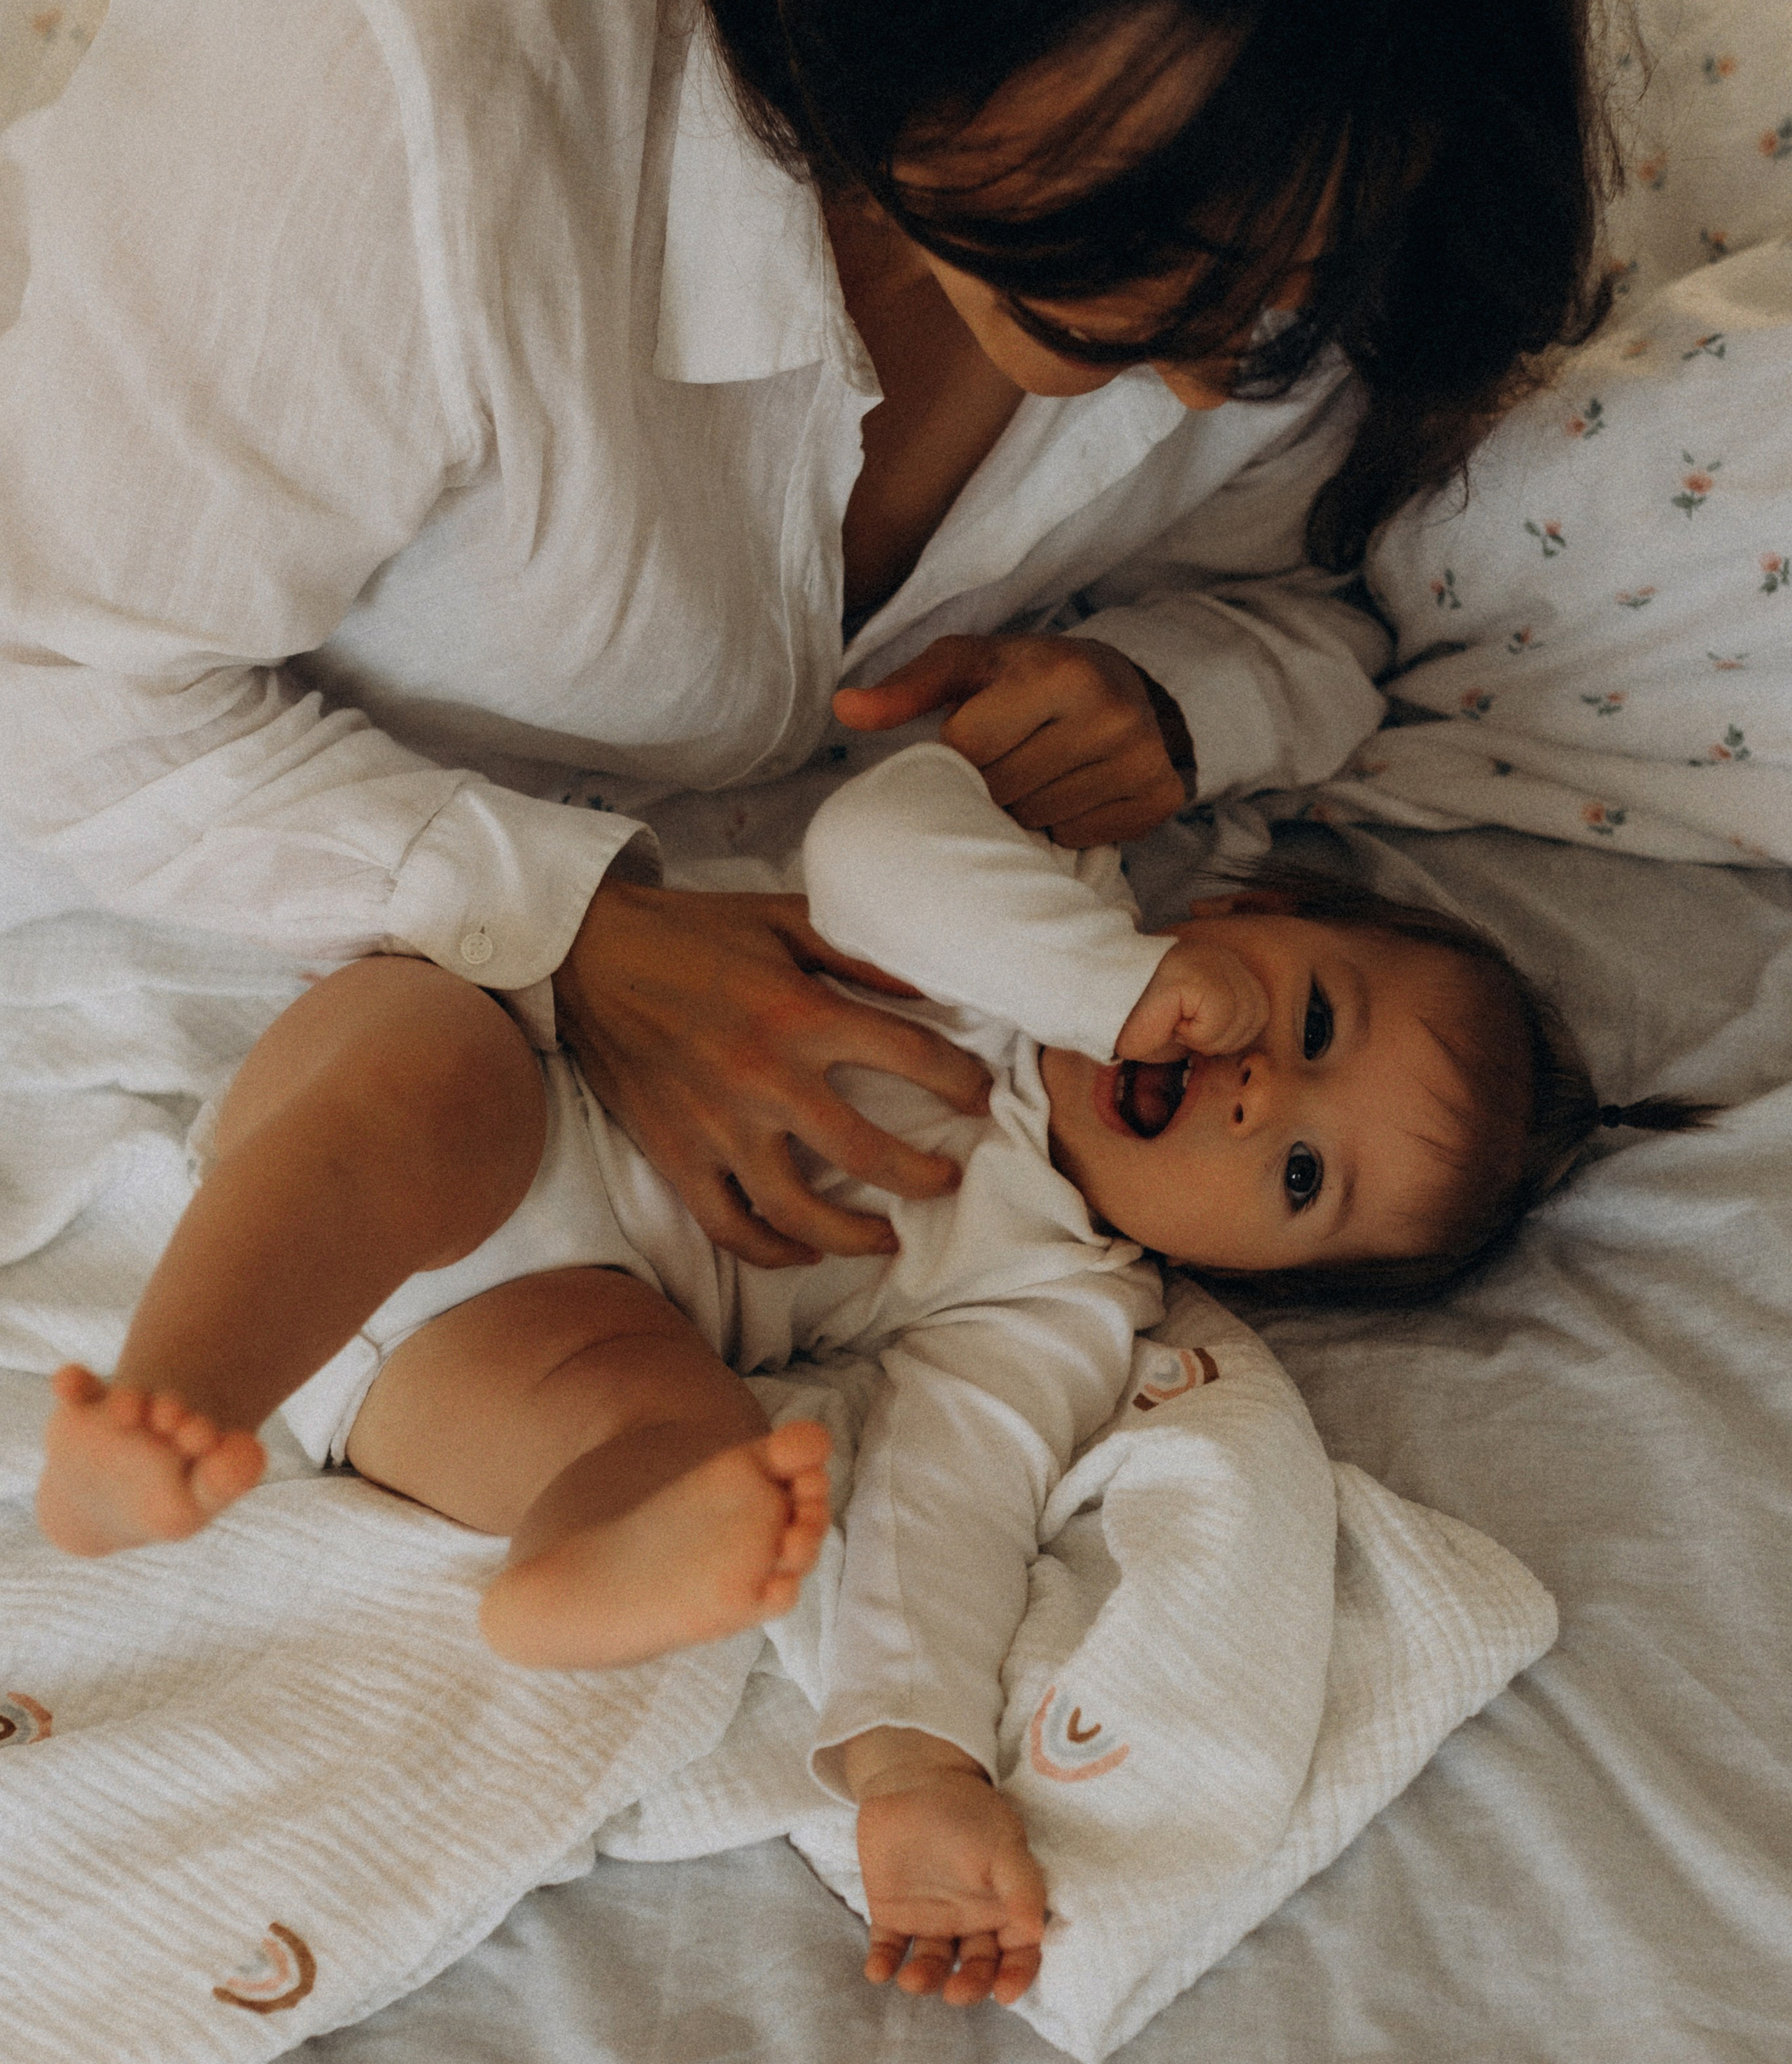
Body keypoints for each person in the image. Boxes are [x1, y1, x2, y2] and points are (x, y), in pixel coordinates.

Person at [0, 0, 1620, 1273]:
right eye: (1141, 229)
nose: (1215, 349)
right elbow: (60, 686)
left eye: (1284, 270)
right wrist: (570, 932)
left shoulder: (1324, 249)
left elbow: (1312, 595)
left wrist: (1173, 694)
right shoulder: (394, 121)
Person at [35, 744, 1705, 2010]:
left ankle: (579, 1563)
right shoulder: (1028, 901)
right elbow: (874, 840)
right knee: (427, 1078)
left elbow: (945, 1495)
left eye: (1295, 1178)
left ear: (1250, 1271)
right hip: (495, 1068)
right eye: (1316, 1022)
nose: (1261, 1092)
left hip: (521, 1336)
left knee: (679, 1425)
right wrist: (1104, 979)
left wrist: (913, 1763)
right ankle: (175, 1400)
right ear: (1239, 917)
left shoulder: (1059, 1296)